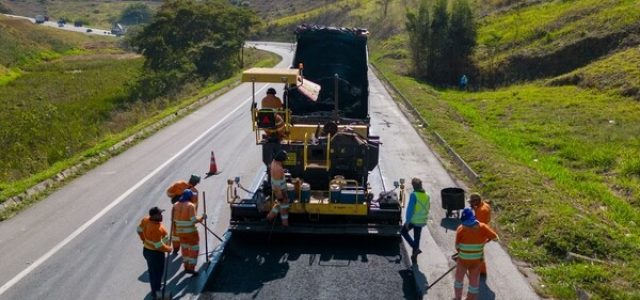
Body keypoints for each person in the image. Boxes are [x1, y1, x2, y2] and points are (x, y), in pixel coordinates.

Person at [453, 207, 499, 300]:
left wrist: (461, 253)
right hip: (477, 260)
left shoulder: (460, 229)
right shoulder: (483, 227)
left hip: (463, 260)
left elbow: (457, 246)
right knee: (474, 283)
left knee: (458, 280)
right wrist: (487, 240)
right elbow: (496, 238)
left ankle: (457, 298)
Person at [137, 207, 172, 300]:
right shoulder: (156, 229)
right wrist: (168, 249)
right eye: (159, 214)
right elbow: (158, 246)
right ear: (153, 216)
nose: (161, 215)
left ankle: (155, 289)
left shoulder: (145, 220)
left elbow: (139, 230)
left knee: (153, 271)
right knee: (157, 273)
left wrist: (143, 239)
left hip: (147, 251)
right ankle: (156, 293)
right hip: (155, 254)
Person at [172, 189, 206, 275]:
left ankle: (186, 266)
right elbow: (193, 220)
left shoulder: (175, 205)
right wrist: (202, 218)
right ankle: (191, 268)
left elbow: (173, 220)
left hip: (180, 233)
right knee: (194, 249)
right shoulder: (190, 206)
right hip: (191, 232)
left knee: (185, 249)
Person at [166, 175, 201, 253]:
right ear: (196, 183)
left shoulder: (179, 184)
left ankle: (176, 248)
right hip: (188, 217)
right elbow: (194, 205)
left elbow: (169, 193)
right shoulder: (194, 192)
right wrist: (195, 218)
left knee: (175, 233)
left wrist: (176, 196)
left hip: (176, 213)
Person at [401, 177, 430, 261]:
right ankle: (414, 258)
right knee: (417, 238)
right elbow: (428, 207)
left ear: (413, 186)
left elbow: (410, 210)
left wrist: (407, 221)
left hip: (413, 220)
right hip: (422, 220)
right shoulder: (427, 196)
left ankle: (415, 248)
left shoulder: (414, 195)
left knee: (403, 231)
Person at [469, 192, 491, 276]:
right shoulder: (484, 205)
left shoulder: (481, 211)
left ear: (476, 201)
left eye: (471, 202)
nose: (470, 204)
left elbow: (479, 225)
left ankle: (482, 271)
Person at [266, 150, 289, 227]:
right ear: (282, 160)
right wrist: (280, 197)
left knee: (279, 205)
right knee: (284, 207)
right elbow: (276, 186)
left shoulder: (274, 162)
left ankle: (269, 217)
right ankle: (285, 224)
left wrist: (283, 171)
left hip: (279, 190)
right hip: (281, 191)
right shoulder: (278, 169)